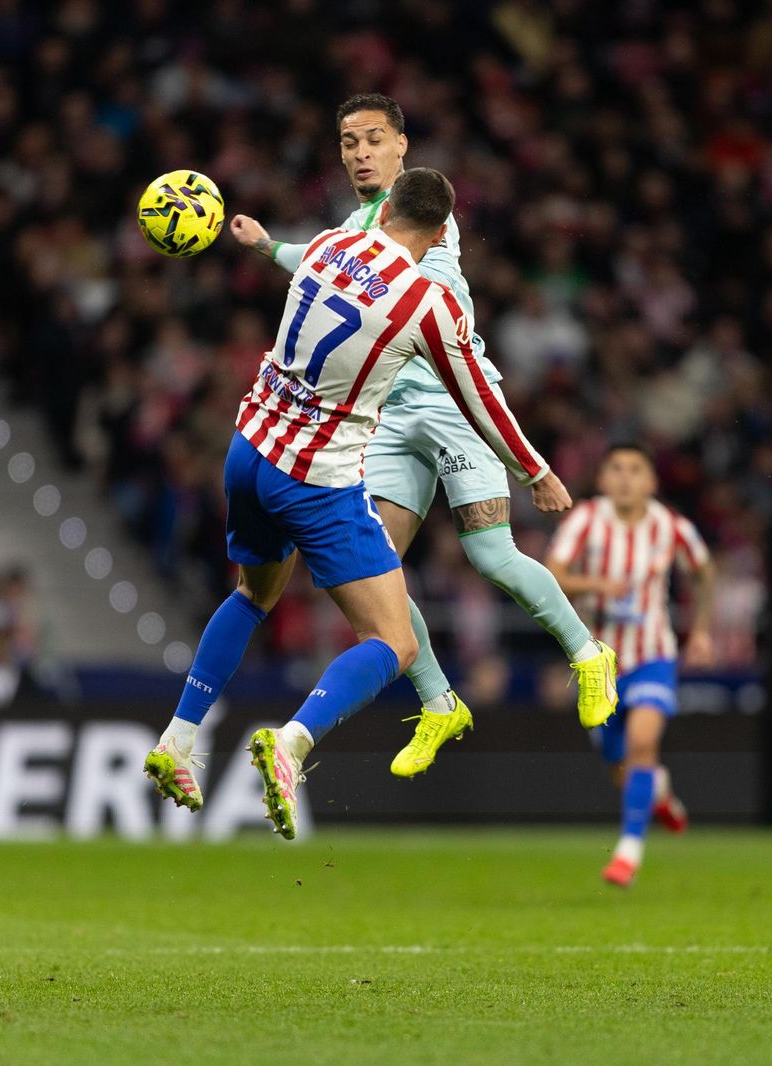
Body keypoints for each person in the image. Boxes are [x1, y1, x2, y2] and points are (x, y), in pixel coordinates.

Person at [144, 168, 572, 839]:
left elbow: (297, 264)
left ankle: (177, 739)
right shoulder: (428, 302)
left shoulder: (327, 246)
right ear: (441, 232)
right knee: (394, 641)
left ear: (386, 208)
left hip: (249, 449)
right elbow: (479, 401)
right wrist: (534, 471)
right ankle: (291, 743)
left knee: (252, 596)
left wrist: (263, 244)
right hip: (315, 479)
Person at [231, 93, 617, 780]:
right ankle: (440, 702)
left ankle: (589, 655)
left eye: (374, 140)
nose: (360, 154)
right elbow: (317, 259)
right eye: (349, 143)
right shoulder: (355, 228)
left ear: (402, 146)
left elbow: (402, 295)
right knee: (375, 572)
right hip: (385, 416)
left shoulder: (426, 217)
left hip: (453, 403)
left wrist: (533, 468)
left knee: (491, 555)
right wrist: (266, 245)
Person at [546, 444, 715, 887]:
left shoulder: (671, 526)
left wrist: (700, 630)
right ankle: (658, 792)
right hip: (598, 661)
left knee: (643, 742)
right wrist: (596, 584)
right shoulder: (586, 519)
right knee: (620, 764)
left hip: (653, 654)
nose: (625, 478)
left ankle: (628, 852)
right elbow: (552, 573)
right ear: (602, 480)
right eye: (616, 469)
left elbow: (704, 570)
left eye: (635, 470)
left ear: (651, 481)